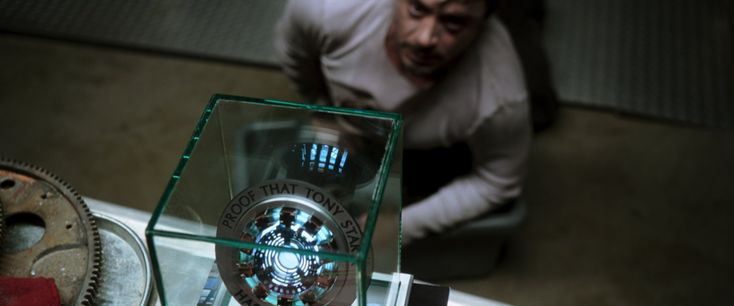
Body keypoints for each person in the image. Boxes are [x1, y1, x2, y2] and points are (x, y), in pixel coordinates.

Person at [274, 0, 531, 245]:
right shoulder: (324, 9)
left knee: (538, 96)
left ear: (482, 21)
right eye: (418, 9)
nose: (425, 38)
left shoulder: (499, 100)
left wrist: (400, 226)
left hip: (437, 147)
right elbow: (296, 53)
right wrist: (323, 109)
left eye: (454, 21)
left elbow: (498, 182)